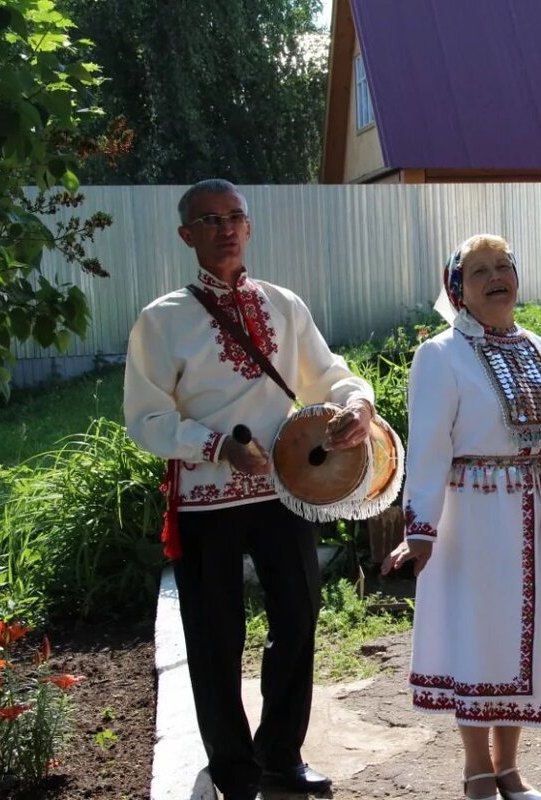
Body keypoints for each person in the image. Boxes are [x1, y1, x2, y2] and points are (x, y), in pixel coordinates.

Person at [125, 179, 376, 800]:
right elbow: (145, 419)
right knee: (215, 638)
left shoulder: (284, 304)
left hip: (285, 493)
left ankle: (281, 758)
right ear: (187, 235)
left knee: (298, 619)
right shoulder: (162, 320)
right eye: (209, 220)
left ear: (250, 226)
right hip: (207, 501)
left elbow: (330, 375)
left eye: (235, 216)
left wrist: (359, 403)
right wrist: (216, 447)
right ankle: (234, 773)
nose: (226, 228)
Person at [381, 234, 541, 800]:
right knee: (481, 639)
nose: (496, 276)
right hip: (472, 520)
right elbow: (426, 446)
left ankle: (510, 768)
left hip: (536, 513)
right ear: (459, 291)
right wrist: (420, 531)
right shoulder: (441, 354)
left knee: (523, 645)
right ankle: (477, 766)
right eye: (479, 271)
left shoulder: (538, 347)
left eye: (503, 266)